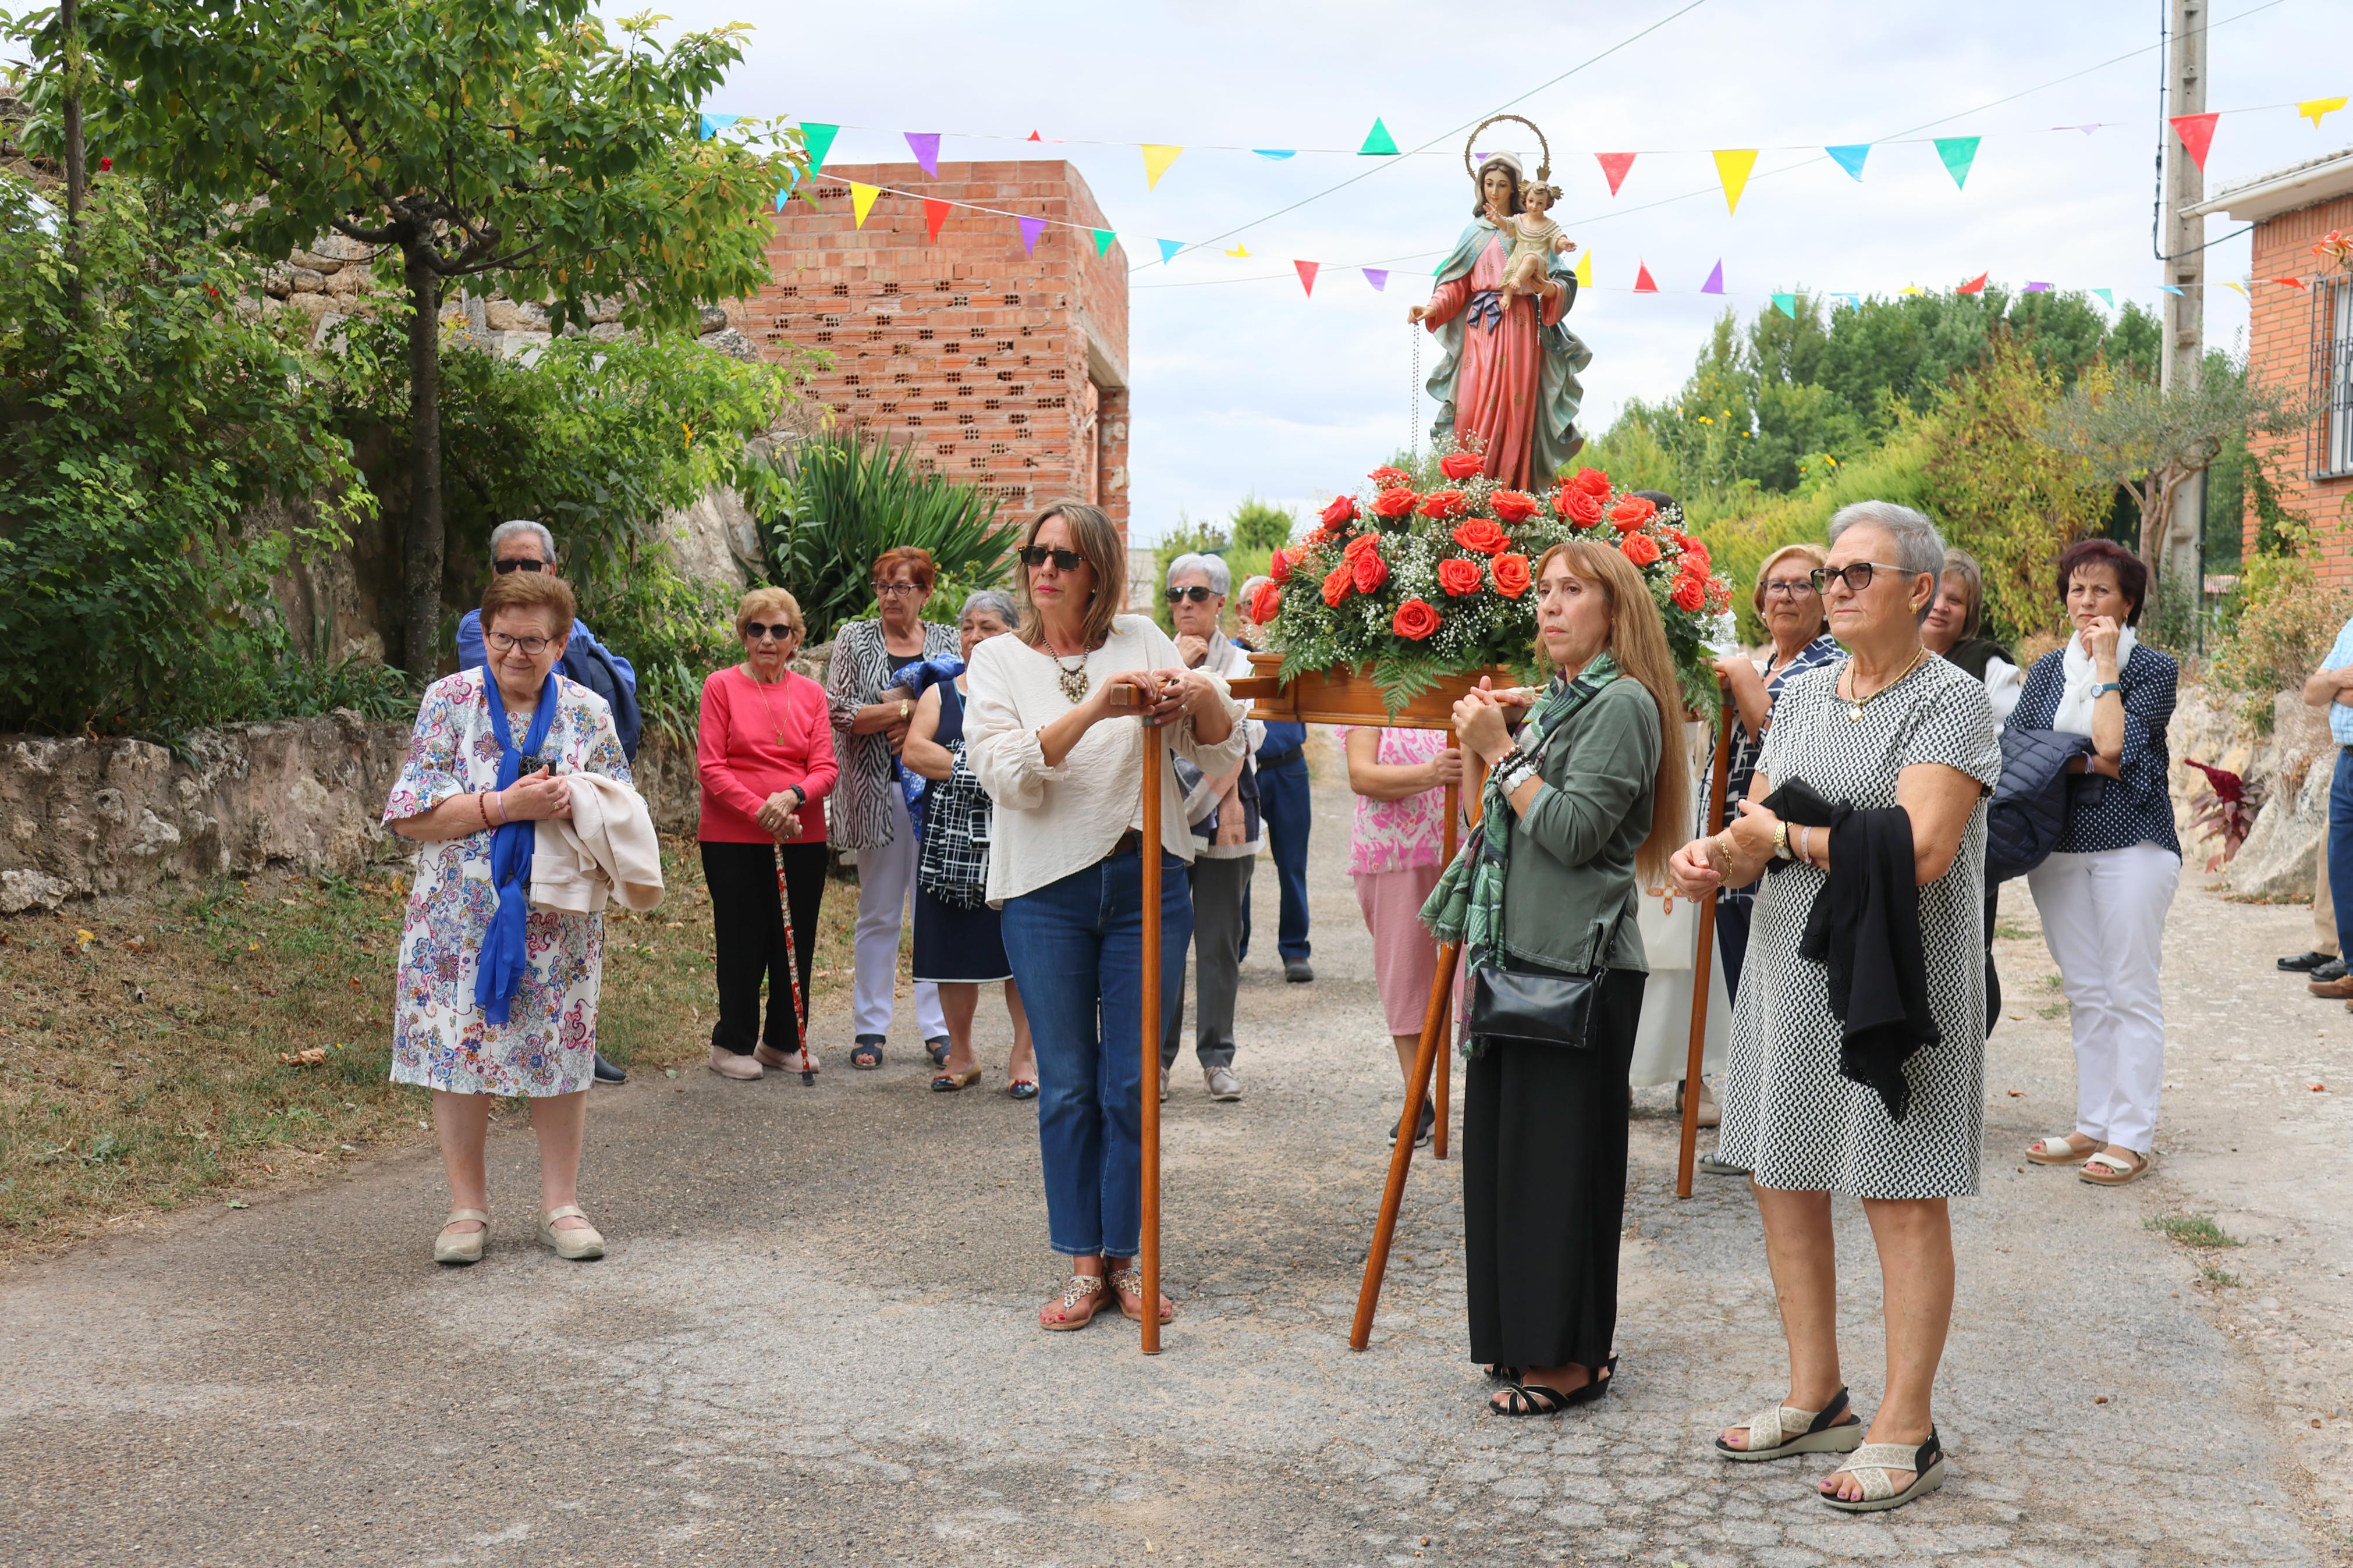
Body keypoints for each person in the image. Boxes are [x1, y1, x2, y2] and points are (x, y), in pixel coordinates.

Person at [1670, 501, 2000, 1513]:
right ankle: (1817, 1396)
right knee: (1785, 1172)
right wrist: (1713, 860)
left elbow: (1921, 850)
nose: (1836, 588)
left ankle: (1908, 1427)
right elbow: (1757, 819)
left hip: (1894, 976)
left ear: (1918, 592)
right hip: (1786, 962)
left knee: (1898, 1193)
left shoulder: (1950, 700)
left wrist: (1785, 843)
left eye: (1860, 573)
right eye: (1830, 573)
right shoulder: (1805, 694)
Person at [965, 500, 1243, 1332]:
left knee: (1131, 1085)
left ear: (1099, 571)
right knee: (1068, 1085)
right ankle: (1084, 1266)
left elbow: (1222, 743)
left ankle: (1132, 1259)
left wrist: (1193, 692)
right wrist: (1098, 709)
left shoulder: (1142, 638)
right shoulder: (997, 663)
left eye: (1064, 556)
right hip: (1044, 890)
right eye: (1034, 553)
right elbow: (1005, 774)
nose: (1043, 568)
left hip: (1146, 881)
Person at [1426, 538, 1688, 1417]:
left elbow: (1573, 833)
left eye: (1571, 590)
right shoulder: (1555, 704)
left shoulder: (1621, 704)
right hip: (1516, 954)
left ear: (1614, 610)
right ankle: (1520, 1339)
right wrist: (1487, 748)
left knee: (1560, 1167)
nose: (1549, 604)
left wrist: (1501, 750)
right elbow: (1491, 818)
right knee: (1509, 1163)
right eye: (1542, 589)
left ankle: (1572, 1359)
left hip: (1577, 963)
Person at [385, 569, 634, 1265]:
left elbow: (621, 807)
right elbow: (411, 815)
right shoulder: (450, 701)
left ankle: (563, 1204)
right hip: (457, 919)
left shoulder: (587, 710)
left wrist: (578, 800)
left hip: (559, 920)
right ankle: (466, 1209)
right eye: (502, 638)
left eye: (532, 641)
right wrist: (505, 806)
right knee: (458, 1052)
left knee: (559, 1051)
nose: (515, 654)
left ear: (560, 645)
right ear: (484, 634)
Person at [2011, 539, 2181, 1187]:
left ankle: (2131, 1136)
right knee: (2084, 990)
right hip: (2055, 843)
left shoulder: (2152, 669)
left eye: (2101, 591)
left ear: (2127, 602)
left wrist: (2105, 664)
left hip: (2132, 840)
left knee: (2128, 988)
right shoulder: (2046, 669)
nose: (2085, 602)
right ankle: (2093, 1121)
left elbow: (2114, 749)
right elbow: (2020, 746)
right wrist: (2078, 754)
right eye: (2077, 590)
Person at [456, 518, 637, 1085]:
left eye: (528, 565)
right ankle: (487, 1042)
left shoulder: (571, 630)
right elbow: (505, 695)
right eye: (506, 566)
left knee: (563, 922)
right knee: (490, 918)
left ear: (551, 570)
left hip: (564, 804)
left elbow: (600, 695)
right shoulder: (476, 628)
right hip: (500, 800)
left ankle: (573, 1042)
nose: (517, 575)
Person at [827, 547, 961, 1070]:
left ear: (925, 592)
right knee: (879, 911)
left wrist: (904, 717)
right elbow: (839, 711)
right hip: (876, 794)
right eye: (882, 585)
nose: (888, 596)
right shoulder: (854, 639)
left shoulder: (950, 640)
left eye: (901, 586)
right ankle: (870, 1027)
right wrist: (910, 708)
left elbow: (964, 704)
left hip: (938, 793)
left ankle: (938, 1028)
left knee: (933, 909)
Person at [695, 587, 837, 1083]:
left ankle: (781, 1041)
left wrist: (792, 798)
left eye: (779, 630)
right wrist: (762, 809)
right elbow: (711, 766)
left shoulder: (811, 693)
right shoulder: (721, 686)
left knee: (794, 938)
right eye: (756, 629)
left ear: (796, 639)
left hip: (801, 831)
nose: (767, 639)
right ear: (744, 635)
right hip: (733, 834)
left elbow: (825, 767)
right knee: (742, 938)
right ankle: (731, 1041)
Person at [902, 589, 1039, 1097]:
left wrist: (957, 761)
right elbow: (915, 751)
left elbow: (1039, 750)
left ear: (1014, 632)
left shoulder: (1030, 691)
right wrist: (982, 767)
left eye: (989, 627)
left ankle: (1023, 1056)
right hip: (951, 847)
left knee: (1023, 951)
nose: (976, 637)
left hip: (1018, 841)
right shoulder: (941, 694)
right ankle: (961, 1054)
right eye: (968, 627)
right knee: (952, 950)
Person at [1408, 150, 1592, 490]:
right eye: (1488, 184)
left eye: (1502, 185)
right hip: (1480, 327)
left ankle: (1511, 493)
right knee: (1472, 406)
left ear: (1515, 190)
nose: (1493, 191)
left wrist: (1546, 288)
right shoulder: (1474, 231)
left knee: (1515, 405)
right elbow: (1456, 285)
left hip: (1520, 324)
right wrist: (1432, 309)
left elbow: (1564, 280)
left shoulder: (1531, 228)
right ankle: (1470, 491)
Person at [1710, 543, 1840, 1004]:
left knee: (1780, 1001)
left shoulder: (1831, 667)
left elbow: (1789, 753)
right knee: (1741, 1002)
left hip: (1784, 860)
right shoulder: (1767, 666)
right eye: (1774, 586)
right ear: (1761, 604)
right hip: (1735, 856)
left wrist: (1742, 677)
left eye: (1801, 584)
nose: (1784, 595)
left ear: (1826, 601)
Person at [1160, 553, 1262, 1104]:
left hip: (1227, 819)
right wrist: (1176, 664)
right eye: (1175, 595)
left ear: (1220, 603)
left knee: (1219, 944)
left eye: (1196, 595)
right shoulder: (1157, 653)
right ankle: (1156, 1062)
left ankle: (1217, 1058)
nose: (1184, 605)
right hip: (1165, 818)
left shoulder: (1243, 663)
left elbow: (1252, 736)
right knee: (1162, 942)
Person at [1341, 724, 1462, 1149]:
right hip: (1392, 852)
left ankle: (1487, 1098)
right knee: (1405, 976)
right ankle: (1418, 1100)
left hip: (1465, 847)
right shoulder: (1374, 690)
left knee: (1473, 979)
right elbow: (1361, 774)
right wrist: (1432, 773)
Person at [1233, 575, 1314, 984]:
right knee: (1237, 862)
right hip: (1241, 771)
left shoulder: (1294, 651)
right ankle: (1235, 948)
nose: (1260, 612)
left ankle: (1295, 949)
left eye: (1270, 604)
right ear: (1240, 611)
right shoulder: (1227, 654)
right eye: (1253, 603)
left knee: (1292, 863)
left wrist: (1273, 644)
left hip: (1288, 769)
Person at [2297, 614, 2353, 989]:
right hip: (2347, 759)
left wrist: (2338, 689)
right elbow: (2312, 693)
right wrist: (2335, 681)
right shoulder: (2351, 626)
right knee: (2342, 868)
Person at [1919, 547, 2022, 723]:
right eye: (1934, 595)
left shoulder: (1990, 667)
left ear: (1969, 614)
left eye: (1955, 600)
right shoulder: (1885, 661)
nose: (1940, 607)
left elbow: (2010, 741)